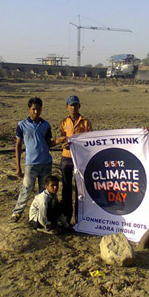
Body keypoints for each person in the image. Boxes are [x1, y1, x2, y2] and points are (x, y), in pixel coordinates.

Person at [10, 97, 60, 222]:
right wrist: (18, 166)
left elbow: (48, 143)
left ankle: (44, 216)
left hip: (46, 163)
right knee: (26, 189)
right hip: (31, 164)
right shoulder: (22, 125)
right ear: (29, 109)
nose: (36, 112)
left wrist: (58, 142)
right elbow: (18, 145)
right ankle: (16, 213)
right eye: (33, 109)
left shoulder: (45, 125)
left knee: (44, 192)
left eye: (38, 109)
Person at [59, 95, 92, 223]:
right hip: (67, 158)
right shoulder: (64, 122)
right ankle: (67, 218)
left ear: (79, 106)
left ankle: (80, 218)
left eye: (75, 105)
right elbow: (62, 138)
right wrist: (64, 144)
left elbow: (90, 140)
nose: (73, 107)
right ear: (67, 107)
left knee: (80, 189)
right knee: (66, 189)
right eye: (71, 105)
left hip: (81, 159)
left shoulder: (85, 122)